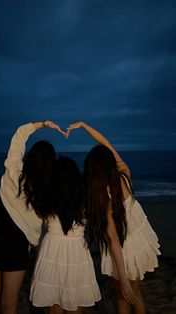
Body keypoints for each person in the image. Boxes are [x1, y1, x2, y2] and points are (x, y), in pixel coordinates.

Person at [67, 122, 160, 314]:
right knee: (136, 294)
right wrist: (84, 126)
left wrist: (123, 279)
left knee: (123, 301)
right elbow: (106, 143)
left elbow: (114, 241)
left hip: (125, 253)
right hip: (141, 244)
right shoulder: (125, 176)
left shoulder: (104, 199)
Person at [0, 120, 65, 314]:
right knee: (9, 304)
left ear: (30, 158)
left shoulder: (13, 171)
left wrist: (44, 124)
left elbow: (20, 134)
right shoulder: (44, 194)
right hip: (17, 245)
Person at [30, 156, 101, 314]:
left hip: (52, 249)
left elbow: (42, 219)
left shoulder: (46, 198)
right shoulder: (85, 199)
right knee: (75, 303)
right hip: (76, 250)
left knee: (53, 302)